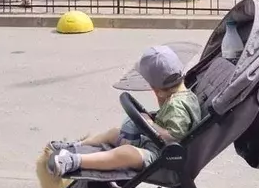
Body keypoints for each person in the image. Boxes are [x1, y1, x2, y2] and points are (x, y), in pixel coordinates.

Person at [47, 45, 201, 176]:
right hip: (155, 144)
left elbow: (175, 137)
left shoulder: (177, 106)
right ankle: (76, 146)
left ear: (159, 91)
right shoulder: (185, 96)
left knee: (126, 152)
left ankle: (75, 161)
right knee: (115, 132)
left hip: (164, 157)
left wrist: (150, 124)